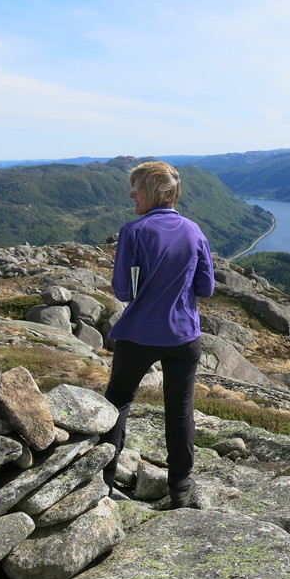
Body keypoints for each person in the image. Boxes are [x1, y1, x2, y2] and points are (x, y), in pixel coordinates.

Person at [100, 161, 215, 509]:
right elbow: (206, 288)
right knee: (179, 409)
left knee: (118, 401)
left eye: (136, 188)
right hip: (183, 335)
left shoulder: (133, 231)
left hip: (138, 334)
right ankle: (181, 485)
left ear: (153, 192)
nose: (131, 194)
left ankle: (102, 480)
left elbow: (123, 290)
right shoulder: (194, 230)